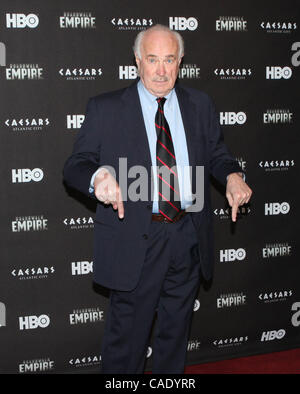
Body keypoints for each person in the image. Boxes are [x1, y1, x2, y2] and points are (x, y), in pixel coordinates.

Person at [63, 24, 252, 374]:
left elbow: (216, 153)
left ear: (180, 62)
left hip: (186, 236)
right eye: (153, 60)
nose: (162, 70)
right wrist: (98, 177)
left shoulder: (200, 104)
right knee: (126, 347)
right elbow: (75, 165)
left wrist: (232, 175)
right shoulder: (106, 108)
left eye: (169, 60)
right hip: (136, 239)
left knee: (174, 339)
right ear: (137, 61)